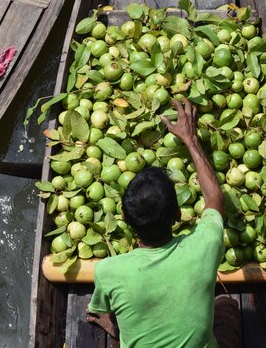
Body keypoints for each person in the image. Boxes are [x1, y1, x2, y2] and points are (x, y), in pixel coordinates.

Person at [86, 98, 241, 347]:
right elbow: (215, 198)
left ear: (124, 219)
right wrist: (190, 139)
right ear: (178, 215)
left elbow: (102, 307)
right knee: (226, 305)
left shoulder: (108, 271)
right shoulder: (205, 245)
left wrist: (112, 322)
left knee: (116, 316)